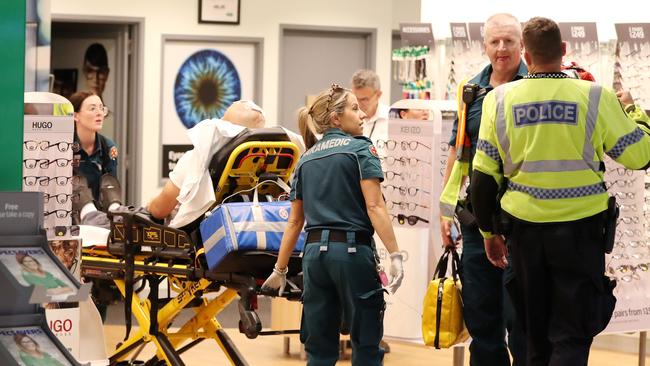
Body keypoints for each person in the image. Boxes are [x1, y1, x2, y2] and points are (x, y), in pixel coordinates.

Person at [470, 17, 650, 366]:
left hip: (524, 234)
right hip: (581, 235)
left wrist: (488, 233)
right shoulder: (596, 97)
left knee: (534, 335)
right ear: (564, 50)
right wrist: (634, 112)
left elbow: (482, 180)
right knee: (572, 332)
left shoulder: (499, 100)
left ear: (525, 52)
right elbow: (640, 156)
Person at [261, 84, 404, 366]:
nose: (362, 114)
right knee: (366, 343)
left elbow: (294, 222)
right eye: (354, 108)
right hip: (352, 253)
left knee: (319, 348)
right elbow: (375, 206)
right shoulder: (360, 149)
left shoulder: (306, 159)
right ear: (336, 119)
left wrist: (280, 269)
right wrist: (396, 254)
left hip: (314, 258)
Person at [439, 13, 527, 366]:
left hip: (522, 219)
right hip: (476, 220)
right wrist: (446, 211)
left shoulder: (533, 86)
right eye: (495, 42)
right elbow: (458, 151)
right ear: (485, 46)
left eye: (509, 41)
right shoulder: (471, 90)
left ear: (522, 44)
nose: (502, 48)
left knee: (520, 319)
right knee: (481, 318)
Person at [147, 100, 305, 229]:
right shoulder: (278, 157)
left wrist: (149, 205)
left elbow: (160, 210)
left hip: (206, 242)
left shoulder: (197, 159)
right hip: (259, 231)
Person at [69, 90, 121, 228]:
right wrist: (89, 213)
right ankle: (90, 214)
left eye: (101, 108)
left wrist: (117, 213)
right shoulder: (63, 146)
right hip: (66, 218)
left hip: (99, 221)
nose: (99, 113)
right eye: (92, 108)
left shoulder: (108, 147)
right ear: (75, 116)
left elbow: (110, 184)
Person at [351, 69, 389, 144]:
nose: (358, 104)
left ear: (378, 95)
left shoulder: (392, 119)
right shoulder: (346, 119)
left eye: (364, 99)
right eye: (355, 98)